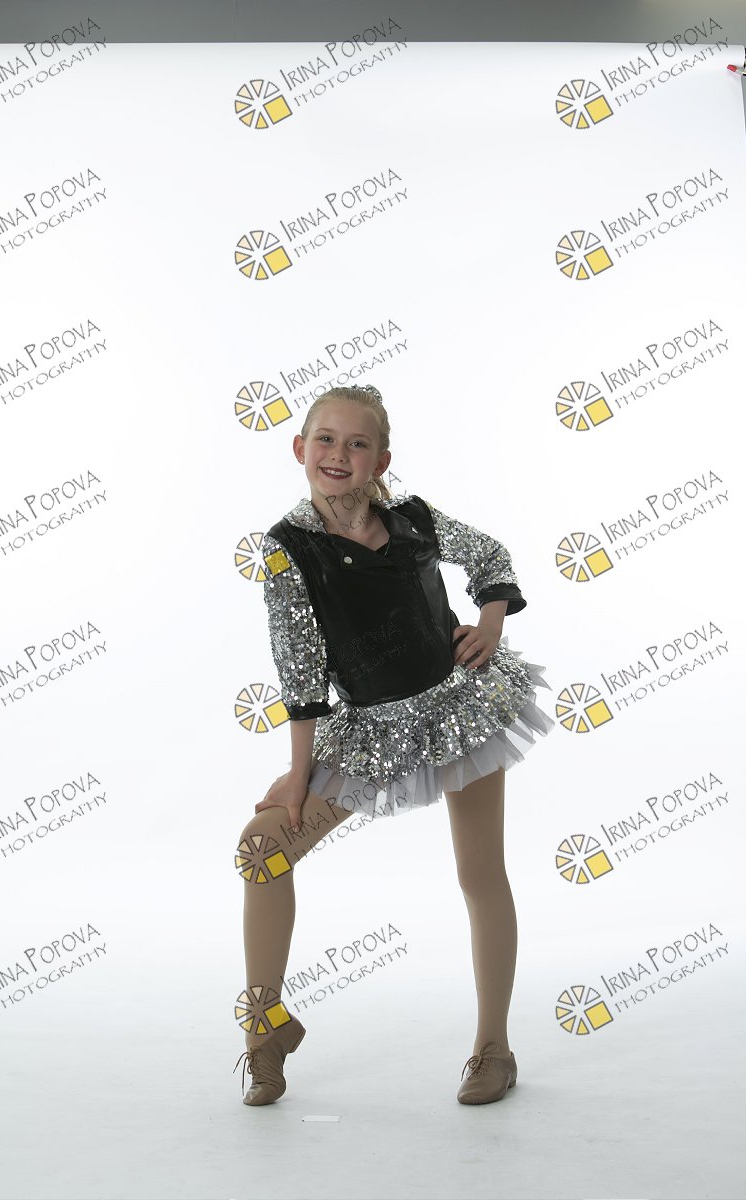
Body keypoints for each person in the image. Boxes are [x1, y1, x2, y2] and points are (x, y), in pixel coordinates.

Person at [232, 383, 555, 1107]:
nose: (338, 455)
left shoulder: (413, 519)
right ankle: (265, 1030)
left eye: (357, 444)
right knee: (262, 849)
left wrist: (491, 622)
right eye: (325, 440)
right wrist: (299, 773)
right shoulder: (288, 549)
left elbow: (488, 552)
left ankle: (494, 1048)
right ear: (299, 449)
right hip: (371, 730)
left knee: (480, 871)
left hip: (460, 707)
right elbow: (300, 667)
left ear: (380, 460)